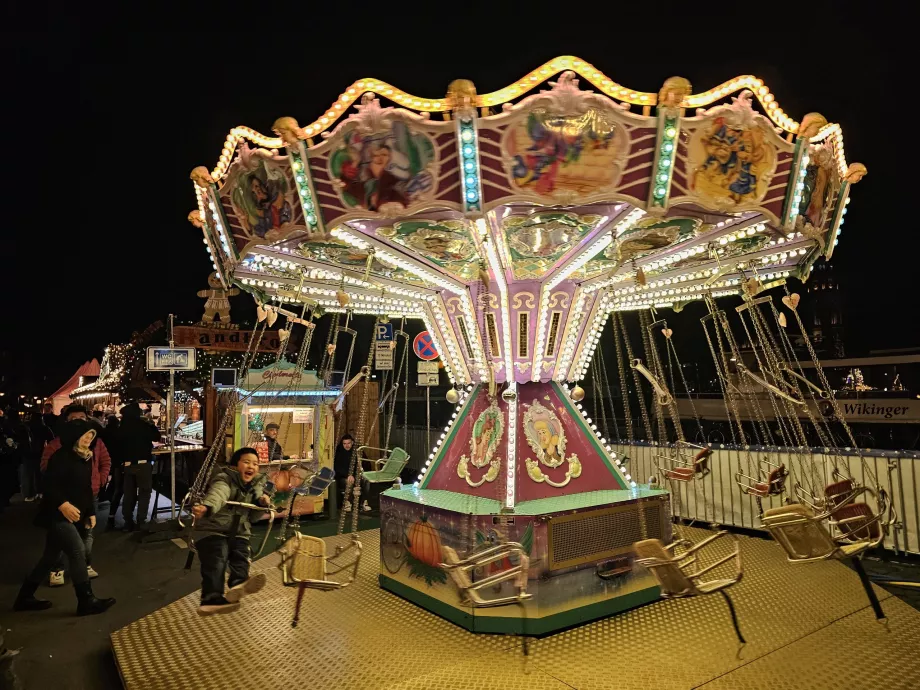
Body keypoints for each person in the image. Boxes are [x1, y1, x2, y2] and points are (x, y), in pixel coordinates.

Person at [14, 419, 116, 616]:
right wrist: (63, 504)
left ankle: (24, 597)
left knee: (49, 557)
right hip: (56, 515)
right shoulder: (61, 457)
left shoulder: (86, 457)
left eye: (91, 436)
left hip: (74, 514)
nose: (88, 439)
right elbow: (49, 485)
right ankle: (86, 601)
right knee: (77, 550)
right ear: (74, 437)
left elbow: (86, 489)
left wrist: (90, 512)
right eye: (85, 435)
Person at [191, 448, 269, 615]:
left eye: (255, 464)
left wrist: (261, 504)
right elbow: (218, 494)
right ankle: (211, 598)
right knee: (217, 557)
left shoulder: (256, 487)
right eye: (246, 462)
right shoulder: (224, 479)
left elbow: (254, 517)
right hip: (213, 528)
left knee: (242, 553)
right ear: (235, 465)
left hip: (239, 531)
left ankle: (239, 582)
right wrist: (207, 507)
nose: (251, 466)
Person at [41, 404, 110, 585]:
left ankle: (83, 567)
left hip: (88, 496)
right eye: (74, 419)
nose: (79, 422)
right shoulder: (57, 447)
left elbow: (105, 461)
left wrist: (100, 480)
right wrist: (62, 501)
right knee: (64, 540)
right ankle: (59, 570)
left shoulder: (94, 443)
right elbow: (46, 474)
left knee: (86, 534)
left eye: (82, 418)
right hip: (63, 501)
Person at [114, 402, 161, 531]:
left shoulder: (122, 427)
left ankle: (128, 522)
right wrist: (151, 425)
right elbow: (156, 437)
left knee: (129, 494)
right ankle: (141, 521)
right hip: (143, 463)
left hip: (127, 465)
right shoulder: (143, 425)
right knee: (144, 492)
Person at [332, 434, 371, 513]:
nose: (347, 445)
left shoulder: (358, 451)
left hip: (357, 475)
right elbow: (337, 468)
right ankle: (348, 503)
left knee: (367, 481)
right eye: (344, 444)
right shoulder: (339, 452)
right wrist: (348, 475)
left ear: (352, 443)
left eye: (348, 443)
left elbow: (366, 464)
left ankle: (364, 502)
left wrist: (357, 475)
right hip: (343, 477)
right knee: (348, 482)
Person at [24, 412, 53, 501]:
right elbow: (51, 439)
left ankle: (30, 494)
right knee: (40, 473)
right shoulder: (44, 428)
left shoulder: (27, 427)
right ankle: (40, 492)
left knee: (29, 474)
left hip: (28, 453)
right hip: (40, 452)